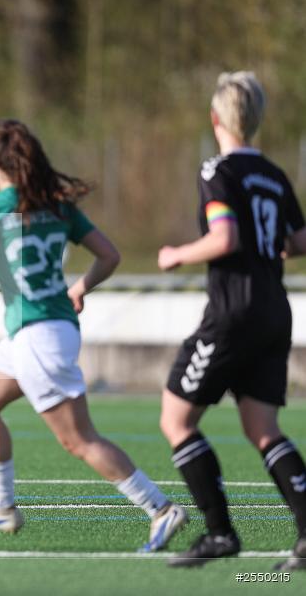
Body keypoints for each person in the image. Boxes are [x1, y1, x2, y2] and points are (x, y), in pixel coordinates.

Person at [0, 119, 188, 552]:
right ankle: (2, 508)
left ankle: (160, 509)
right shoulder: (58, 206)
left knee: (79, 439)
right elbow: (109, 256)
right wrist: (80, 287)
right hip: (43, 331)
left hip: (38, 339)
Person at [157, 72, 306, 569]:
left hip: (233, 311)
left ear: (215, 118)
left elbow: (224, 239)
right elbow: (298, 241)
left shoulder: (215, 171)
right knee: (263, 428)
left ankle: (220, 533)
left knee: (176, 419)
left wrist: (177, 254)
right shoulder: (274, 174)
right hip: (274, 310)